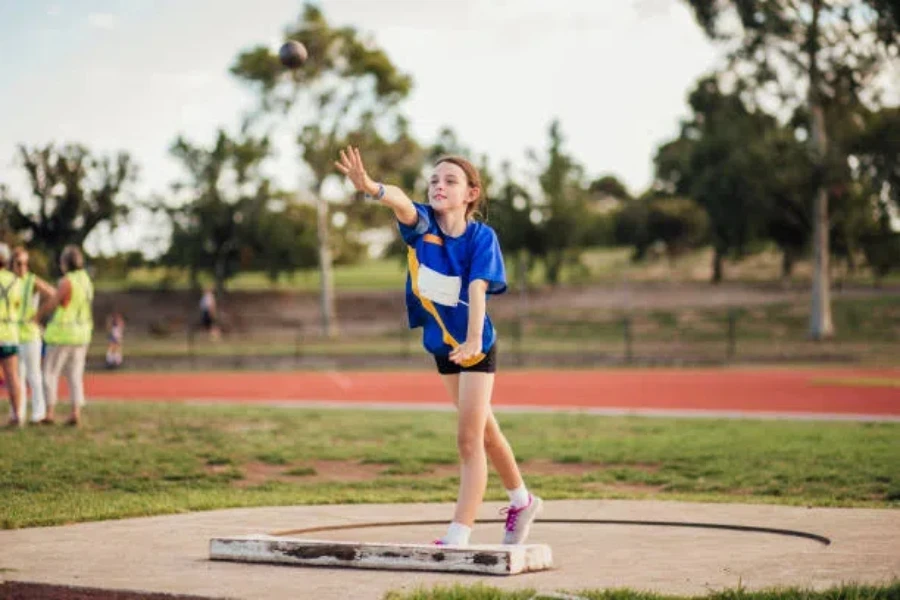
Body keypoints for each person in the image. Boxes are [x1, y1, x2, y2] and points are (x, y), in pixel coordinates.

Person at [335, 146, 542, 547]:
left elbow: (478, 288)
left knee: (468, 439)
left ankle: (458, 534)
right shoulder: (421, 224)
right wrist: (372, 188)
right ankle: (523, 499)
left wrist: (473, 339)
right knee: (485, 433)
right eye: (434, 180)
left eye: (450, 181)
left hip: (476, 345)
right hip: (441, 346)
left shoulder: (482, 237)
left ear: (470, 194)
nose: (439, 186)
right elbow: (398, 200)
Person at [37, 245, 94, 426]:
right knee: (75, 375)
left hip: (62, 335)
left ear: (65, 263)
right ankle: (75, 412)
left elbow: (54, 302)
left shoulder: (67, 281)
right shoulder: (86, 280)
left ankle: (50, 412)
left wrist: (36, 317)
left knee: (49, 373)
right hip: (82, 335)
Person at [11, 246, 56, 423]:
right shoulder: (9, 281)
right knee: (18, 376)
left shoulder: (32, 280)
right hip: (14, 334)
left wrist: (38, 315)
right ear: (12, 265)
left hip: (30, 336)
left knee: (34, 375)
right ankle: (19, 413)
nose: (22, 267)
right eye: (19, 264)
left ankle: (38, 413)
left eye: (25, 264)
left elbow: (53, 294)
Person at [0, 243, 24, 427]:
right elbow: (19, 306)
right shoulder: (16, 282)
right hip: (10, 333)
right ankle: (17, 415)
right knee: (12, 377)